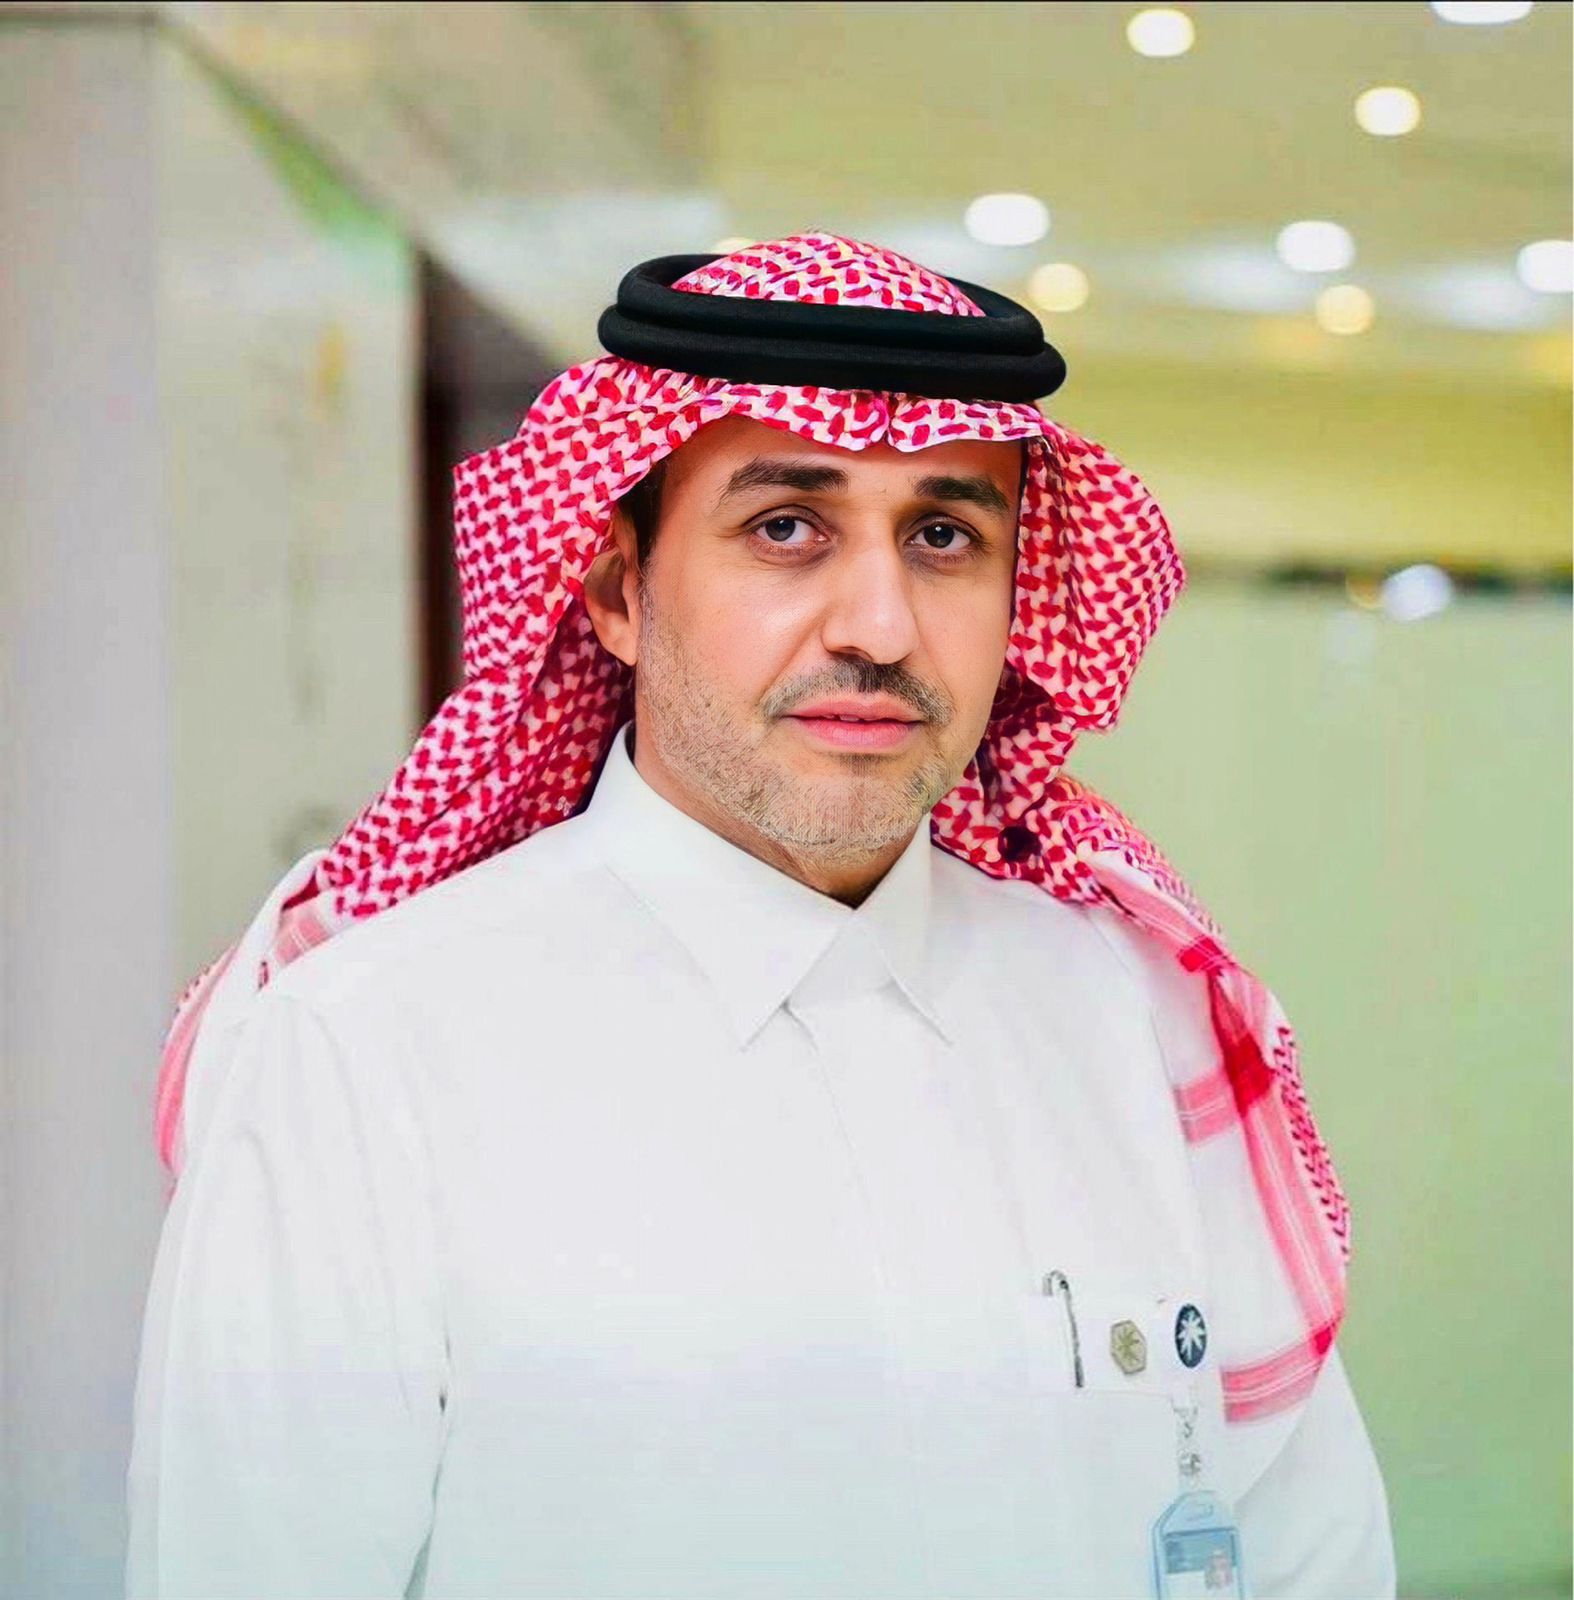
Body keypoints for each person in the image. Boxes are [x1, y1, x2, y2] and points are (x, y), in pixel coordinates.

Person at [126, 232, 1395, 1598]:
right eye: (786, 526)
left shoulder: (1133, 1016)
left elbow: (1305, 1547)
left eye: (945, 536)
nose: (879, 628)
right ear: (616, 591)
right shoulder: (366, 1051)